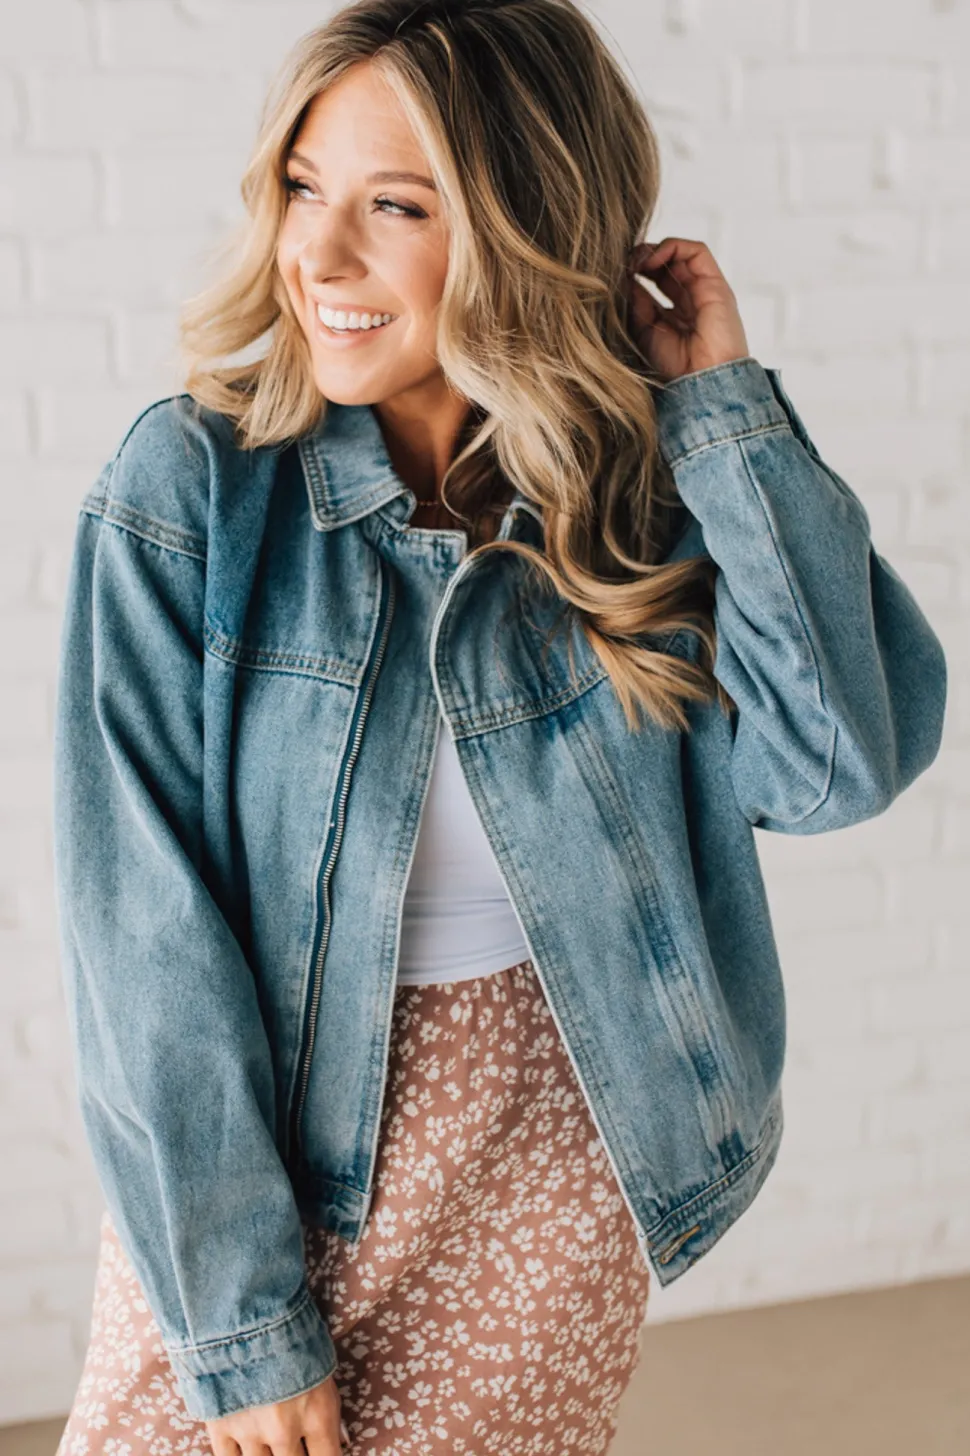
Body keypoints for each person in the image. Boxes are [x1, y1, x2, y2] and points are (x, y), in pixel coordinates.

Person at [51, 1, 948, 1453]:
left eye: (395, 206)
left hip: (554, 1167)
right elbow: (142, 936)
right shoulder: (195, 491)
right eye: (304, 188)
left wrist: (720, 408)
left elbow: (839, 764)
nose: (318, 256)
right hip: (262, 1180)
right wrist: (242, 1318)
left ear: (525, 229)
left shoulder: (637, 498)